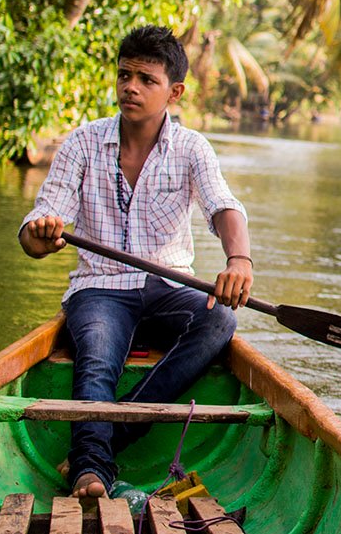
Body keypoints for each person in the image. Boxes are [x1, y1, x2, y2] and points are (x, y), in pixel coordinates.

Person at [17, 25, 253, 500]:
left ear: (174, 92)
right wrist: (40, 235)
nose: (131, 87)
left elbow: (222, 206)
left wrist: (239, 259)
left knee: (219, 319)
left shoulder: (191, 148)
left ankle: (111, 436)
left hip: (166, 286)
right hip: (98, 287)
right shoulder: (82, 143)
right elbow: (36, 231)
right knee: (98, 356)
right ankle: (89, 471)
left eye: (147, 79)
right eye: (125, 75)